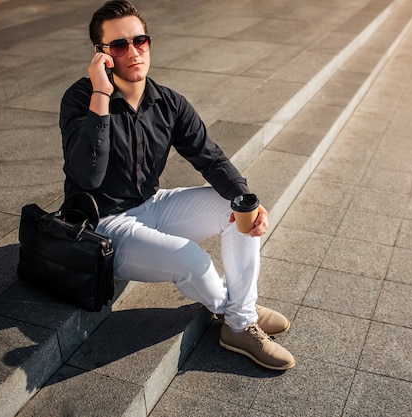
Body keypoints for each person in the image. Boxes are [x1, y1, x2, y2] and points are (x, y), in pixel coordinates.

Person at [59, 0, 295, 370]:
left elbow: (209, 156)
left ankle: (239, 311)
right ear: (101, 54)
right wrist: (101, 93)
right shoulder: (81, 100)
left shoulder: (167, 102)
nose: (134, 52)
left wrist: (246, 200)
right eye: (119, 45)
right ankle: (240, 320)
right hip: (105, 225)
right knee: (192, 260)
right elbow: (87, 176)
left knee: (237, 207)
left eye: (140, 41)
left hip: (153, 204)